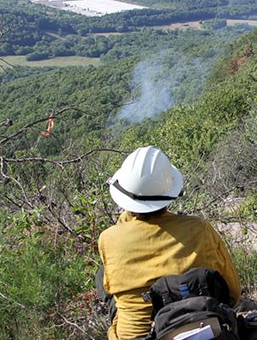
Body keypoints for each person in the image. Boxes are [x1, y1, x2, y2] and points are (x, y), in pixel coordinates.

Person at [97, 146, 241, 340]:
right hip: (204, 326)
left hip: (134, 336)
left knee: (102, 274)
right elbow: (233, 294)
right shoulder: (199, 229)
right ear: (170, 194)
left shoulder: (109, 238)